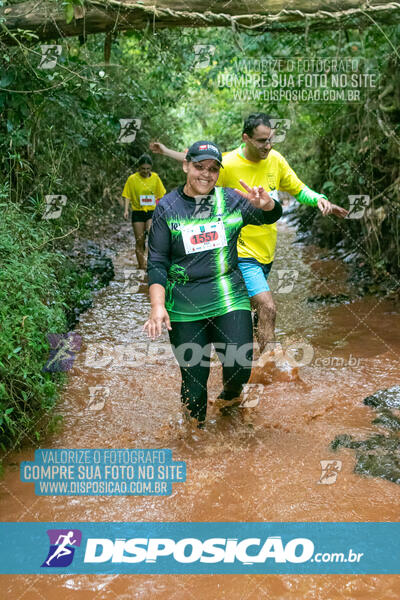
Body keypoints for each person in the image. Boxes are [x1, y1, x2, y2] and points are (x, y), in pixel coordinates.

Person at [149, 114, 348, 360]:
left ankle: (236, 358)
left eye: (271, 140)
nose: (268, 145)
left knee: (255, 313)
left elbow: (297, 188)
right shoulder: (228, 164)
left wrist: (318, 198)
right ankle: (267, 370)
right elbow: (199, 169)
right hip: (238, 253)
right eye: (262, 140)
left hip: (265, 252)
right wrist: (168, 152)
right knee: (267, 307)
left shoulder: (276, 160)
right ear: (246, 138)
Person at [143, 141, 282, 427]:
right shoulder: (167, 208)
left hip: (229, 298)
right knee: (194, 389)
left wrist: (267, 203)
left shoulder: (230, 200)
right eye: (199, 167)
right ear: (185, 165)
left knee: (240, 368)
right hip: (183, 308)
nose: (205, 174)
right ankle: (194, 443)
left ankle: (229, 403)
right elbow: (156, 263)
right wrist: (157, 306)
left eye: (213, 169)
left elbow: (270, 215)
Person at [122, 153, 166, 270]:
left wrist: (161, 208)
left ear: (151, 168)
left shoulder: (155, 178)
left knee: (151, 234)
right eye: (143, 169)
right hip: (137, 212)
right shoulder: (132, 179)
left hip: (152, 211)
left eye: (148, 169)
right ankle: (141, 266)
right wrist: (126, 210)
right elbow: (127, 195)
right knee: (140, 241)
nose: (145, 171)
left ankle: (151, 263)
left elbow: (161, 195)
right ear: (138, 167)